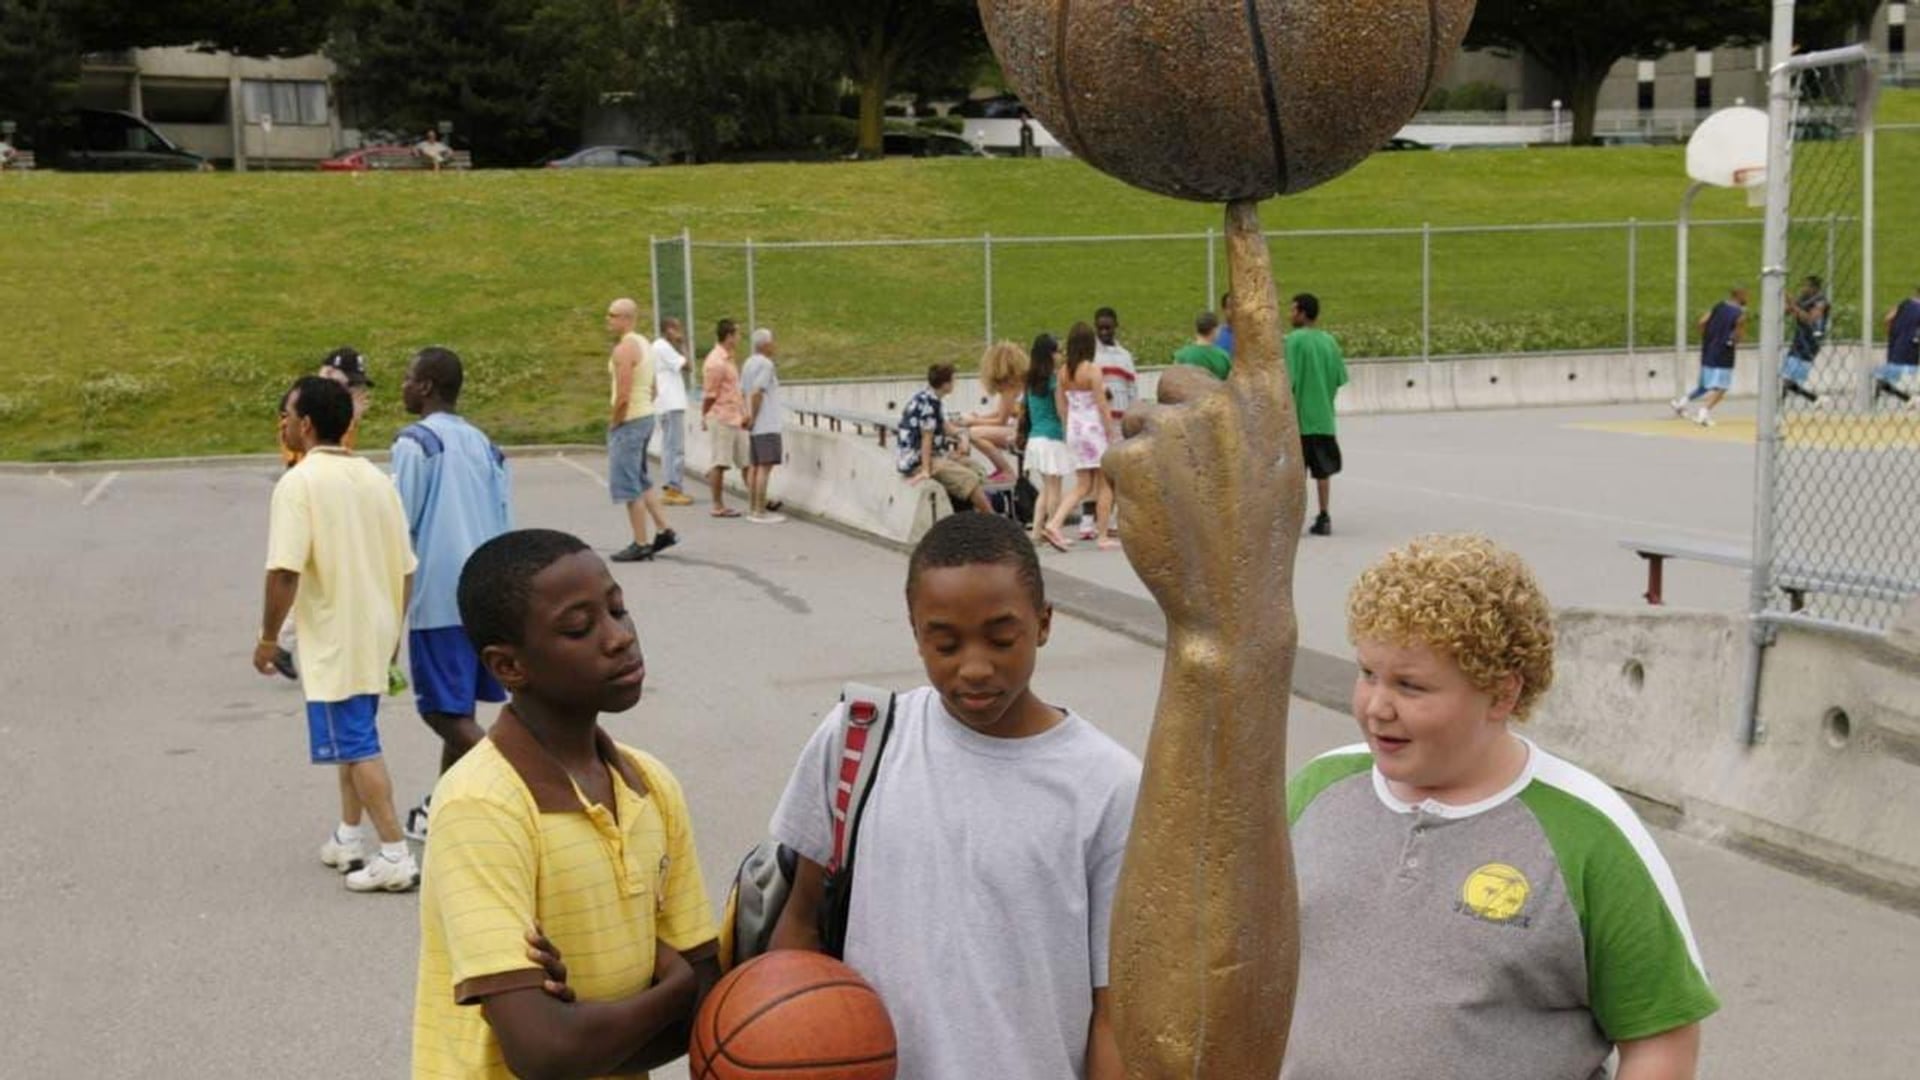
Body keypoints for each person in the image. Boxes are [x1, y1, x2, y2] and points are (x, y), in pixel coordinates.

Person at [1283, 534, 1719, 1079]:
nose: (1376, 706)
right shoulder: (1317, 790)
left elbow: (1662, 1038)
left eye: (1411, 686)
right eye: (1368, 673)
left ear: (1502, 694)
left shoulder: (1587, 833)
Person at [768, 512, 1139, 1080]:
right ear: (916, 632)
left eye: (1001, 638)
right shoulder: (857, 738)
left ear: (1043, 623)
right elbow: (800, 928)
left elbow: (1114, 1012)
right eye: (944, 643)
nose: (974, 667)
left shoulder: (1109, 786)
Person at [411, 529, 718, 1079]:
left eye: (618, 610)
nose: (619, 637)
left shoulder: (651, 785)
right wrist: (672, 988)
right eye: (579, 627)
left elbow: (711, 1004)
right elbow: (545, 1053)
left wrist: (593, 1023)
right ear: (508, 667)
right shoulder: (483, 804)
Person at [253, 376, 420, 893]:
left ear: (305, 424)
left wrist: (266, 638)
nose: (284, 423)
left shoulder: (300, 484)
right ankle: (349, 837)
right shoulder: (376, 479)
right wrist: (392, 631)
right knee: (355, 739)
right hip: (375, 626)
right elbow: (407, 568)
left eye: (288, 414)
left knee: (356, 743)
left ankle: (394, 852)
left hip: (333, 632)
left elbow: (284, 571)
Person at [392, 346, 513, 841]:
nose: (402, 384)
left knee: (440, 711)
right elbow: (503, 515)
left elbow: (398, 524)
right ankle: (443, 807)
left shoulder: (416, 443)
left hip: (438, 595)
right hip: (485, 589)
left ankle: (519, 784)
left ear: (425, 387)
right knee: (459, 709)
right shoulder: (483, 444)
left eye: (407, 376)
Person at [603, 298, 676, 562]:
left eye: (612, 315)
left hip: (630, 419)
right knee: (642, 478)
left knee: (628, 483)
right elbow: (654, 388)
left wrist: (616, 421)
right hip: (645, 415)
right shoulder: (646, 345)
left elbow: (622, 394)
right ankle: (664, 529)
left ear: (626, 318)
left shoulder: (624, 349)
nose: (608, 320)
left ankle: (640, 542)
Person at [1043, 322, 1118, 551]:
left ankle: (1054, 523)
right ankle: (1103, 535)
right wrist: (1110, 431)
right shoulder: (1092, 370)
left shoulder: (1064, 372)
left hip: (1075, 429)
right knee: (1105, 484)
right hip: (1094, 429)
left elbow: (1060, 405)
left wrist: (1068, 428)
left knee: (1082, 484)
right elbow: (1102, 404)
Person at [1287, 293, 1349, 537]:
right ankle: (1324, 515)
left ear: (1302, 313)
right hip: (1323, 416)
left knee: (1296, 474)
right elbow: (1338, 377)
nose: (1290, 314)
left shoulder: (1292, 341)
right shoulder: (1329, 342)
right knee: (1322, 471)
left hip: (1299, 420)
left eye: (1293, 310)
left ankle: (1294, 520)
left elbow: (1288, 379)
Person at [899, 363, 992, 513]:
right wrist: (925, 470)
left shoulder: (933, 399)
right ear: (945, 384)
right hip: (917, 460)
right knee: (968, 478)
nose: (955, 383)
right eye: (953, 380)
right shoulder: (927, 404)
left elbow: (946, 427)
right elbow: (926, 439)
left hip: (935, 454)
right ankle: (992, 519)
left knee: (976, 468)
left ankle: (973, 513)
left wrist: (963, 436)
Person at [1085, 307, 1136, 539]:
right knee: (1094, 472)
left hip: (1119, 420)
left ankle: (1111, 518)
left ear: (1116, 326)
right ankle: (1088, 520)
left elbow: (1132, 387)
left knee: (1116, 472)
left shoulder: (1124, 356)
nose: (1104, 332)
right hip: (1097, 422)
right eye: (1100, 328)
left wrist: (1132, 414)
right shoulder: (1091, 355)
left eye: (1108, 327)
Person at [1020, 333, 1075, 545]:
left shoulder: (1030, 382)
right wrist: (1069, 433)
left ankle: (1036, 532)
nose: (1060, 355)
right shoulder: (1054, 382)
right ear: (1049, 354)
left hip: (1035, 439)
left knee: (1046, 487)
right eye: (1057, 351)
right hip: (1052, 438)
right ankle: (1054, 528)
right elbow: (1062, 411)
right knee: (1055, 488)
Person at [1672, 287, 1748, 428]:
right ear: (1740, 295)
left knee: (1704, 385)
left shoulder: (1718, 306)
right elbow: (1737, 337)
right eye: (1746, 295)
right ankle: (1704, 412)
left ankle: (1681, 403)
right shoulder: (1740, 314)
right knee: (1723, 387)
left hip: (1708, 350)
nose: (1748, 298)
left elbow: (1701, 322)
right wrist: (1737, 336)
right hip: (1724, 353)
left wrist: (1708, 338)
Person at [700, 318, 749, 517]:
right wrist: (705, 415)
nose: (739, 337)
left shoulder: (729, 358)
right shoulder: (716, 362)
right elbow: (710, 394)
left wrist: (744, 413)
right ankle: (717, 505)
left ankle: (759, 501)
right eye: (737, 334)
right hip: (721, 417)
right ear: (728, 336)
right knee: (720, 462)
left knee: (747, 461)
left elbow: (734, 391)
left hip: (734, 417)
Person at [956, 341, 1025, 482]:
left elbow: (1001, 420)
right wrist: (979, 417)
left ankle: (1006, 470)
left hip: (1019, 433)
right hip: (1020, 430)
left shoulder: (1009, 387)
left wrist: (973, 421)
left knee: (973, 433)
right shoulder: (1017, 383)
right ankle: (1004, 470)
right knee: (973, 430)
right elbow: (1000, 413)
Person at [740, 327, 787, 524]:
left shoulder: (748, 363)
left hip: (755, 426)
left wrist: (747, 415)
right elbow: (758, 392)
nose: (774, 345)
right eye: (772, 341)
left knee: (754, 466)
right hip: (766, 423)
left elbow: (743, 392)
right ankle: (760, 511)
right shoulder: (766, 365)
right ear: (766, 344)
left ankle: (752, 508)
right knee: (764, 468)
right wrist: (754, 416)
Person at [651, 317, 695, 506]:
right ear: (669, 330)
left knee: (669, 447)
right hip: (671, 403)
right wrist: (683, 344)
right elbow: (688, 366)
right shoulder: (663, 346)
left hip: (666, 402)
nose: (681, 331)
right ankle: (673, 487)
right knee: (675, 448)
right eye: (677, 328)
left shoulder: (659, 347)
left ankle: (671, 487)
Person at [1781, 275, 1830, 405]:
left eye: (1806, 286)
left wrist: (1793, 305)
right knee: (1787, 378)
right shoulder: (1803, 298)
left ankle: (1814, 399)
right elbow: (1786, 311)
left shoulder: (1821, 301)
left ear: (1813, 288)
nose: (1802, 288)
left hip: (1810, 343)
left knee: (1789, 380)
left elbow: (1810, 319)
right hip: (1798, 340)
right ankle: (1814, 399)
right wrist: (1785, 300)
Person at [319, 345, 374, 449]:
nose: (352, 393)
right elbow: (328, 457)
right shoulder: (302, 408)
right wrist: (349, 419)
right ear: (328, 374)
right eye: (349, 385)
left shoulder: (337, 415)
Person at [1874, 285, 1920, 406]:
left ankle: (1875, 403)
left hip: (1895, 344)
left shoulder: (1904, 303)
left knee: (1887, 377)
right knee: (1890, 378)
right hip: (1910, 347)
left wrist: (1893, 334)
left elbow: (1887, 319)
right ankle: (1909, 399)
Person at [1173, 311, 1232, 381]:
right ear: (1214, 330)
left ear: (1196, 329)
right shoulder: (1223, 357)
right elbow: (1230, 385)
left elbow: (1174, 381)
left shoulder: (1181, 356)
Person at [1214, 292, 1236, 357]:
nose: (1234, 311)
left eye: (1237, 307)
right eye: (1230, 307)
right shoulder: (1216, 334)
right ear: (1223, 309)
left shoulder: (1249, 335)